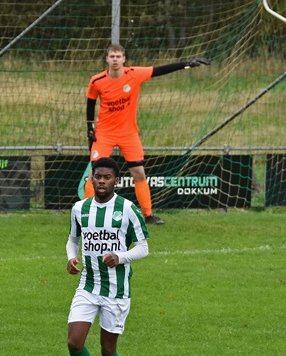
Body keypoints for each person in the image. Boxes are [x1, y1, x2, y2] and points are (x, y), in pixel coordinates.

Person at [85, 44, 211, 225]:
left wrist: (186, 64)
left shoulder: (134, 74)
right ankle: (87, 215)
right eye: (112, 56)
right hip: (105, 134)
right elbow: (90, 101)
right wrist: (90, 128)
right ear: (107, 59)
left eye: (118, 56)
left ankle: (148, 215)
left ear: (124, 59)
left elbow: (160, 70)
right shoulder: (97, 80)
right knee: (96, 173)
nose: (115, 60)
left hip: (129, 133)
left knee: (139, 172)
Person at [67, 156, 150, 356]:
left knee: (107, 348)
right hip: (88, 285)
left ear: (116, 180)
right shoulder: (80, 209)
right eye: (98, 177)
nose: (102, 181)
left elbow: (143, 247)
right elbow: (73, 240)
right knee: (74, 343)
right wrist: (71, 257)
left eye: (107, 177)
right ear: (91, 179)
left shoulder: (127, 209)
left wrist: (120, 257)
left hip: (116, 290)